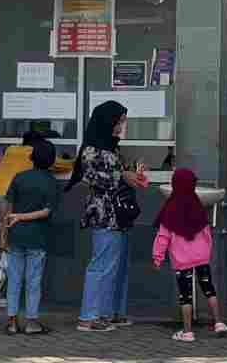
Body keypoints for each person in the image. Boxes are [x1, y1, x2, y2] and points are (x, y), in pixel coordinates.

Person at [69, 100, 149, 333]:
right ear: (108, 121)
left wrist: (134, 173)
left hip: (120, 214)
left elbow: (118, 172)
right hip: (104, 215)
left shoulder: (112, 147)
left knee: (117, 266)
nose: (122, 125)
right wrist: (123, 176)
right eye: (120, 121)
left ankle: (110, 312)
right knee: (101, 265)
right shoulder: (92, 150)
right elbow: (94, 178)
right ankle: (88, 317)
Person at [0, 124, 73, 310]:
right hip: (6, 199)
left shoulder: (11, 150)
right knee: (3, 245)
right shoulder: (34, 153)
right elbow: (62, 165)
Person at [151, 167, 227, 342]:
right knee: (209, 289)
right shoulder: (197, 205)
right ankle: (218, 323)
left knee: (185, 296)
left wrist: (158, 257)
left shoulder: (170, 207)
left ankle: (187, 332)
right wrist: (206, 252)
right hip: (201, 258)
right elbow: (206, 232)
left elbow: (163, 236)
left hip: (182, 260)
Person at [0, 139, 61, 335]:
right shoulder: (51, 182)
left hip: (16, 236)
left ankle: (11, 321)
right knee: (33, 280)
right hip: (38, 237)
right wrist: (23, 217)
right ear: (51, 161)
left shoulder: (19, 177)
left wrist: (4, 235)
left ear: (31, 157)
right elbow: (47, 212)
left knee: (14, 279)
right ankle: (32, 322)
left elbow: (7, 210)